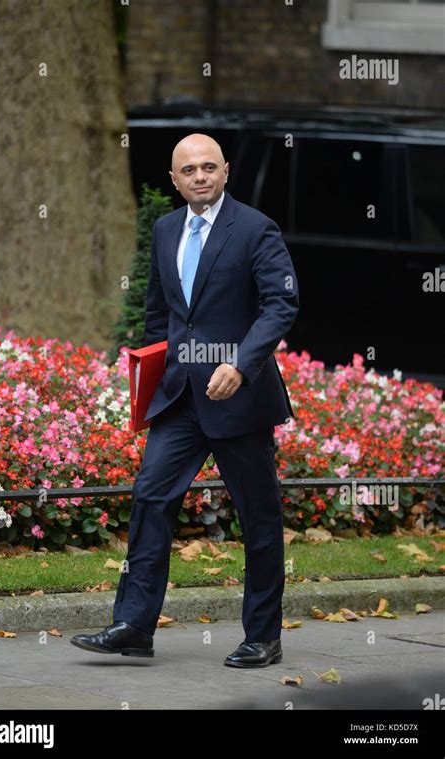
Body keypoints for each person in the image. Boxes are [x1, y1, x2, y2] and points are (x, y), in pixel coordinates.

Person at [71, 133, 299, 668]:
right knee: (151, 499)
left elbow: (281, 304)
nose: (200, 177)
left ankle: (263, 636)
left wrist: (241, 364)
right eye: (188, 171)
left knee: (259, 518)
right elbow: (160, 315)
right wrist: (151, 372)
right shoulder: (166, 228)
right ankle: (133, 626)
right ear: (175, 181)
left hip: (238, 400)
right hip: (179, 400)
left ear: (225, 172)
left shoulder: (255, 228)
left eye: (209, 168)